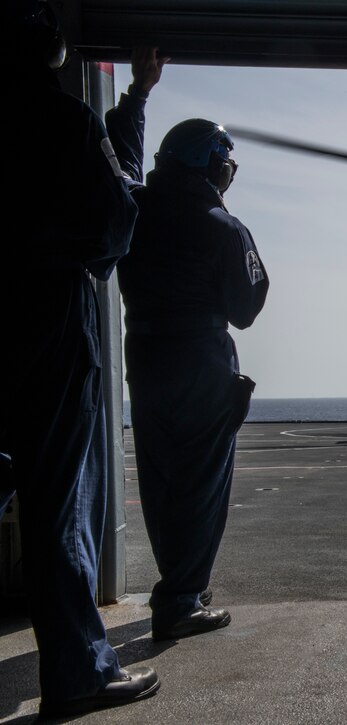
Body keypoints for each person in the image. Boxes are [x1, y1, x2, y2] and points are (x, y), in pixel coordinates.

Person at [1, 1, 162, 717]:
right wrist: (135, 100)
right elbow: (115, 214)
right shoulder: (64, 121)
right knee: (57, 495)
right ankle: (77, 671)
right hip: (43, 313)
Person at [111, 104, 269, 641]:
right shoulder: (223, 227)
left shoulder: (135, 206)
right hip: (202, 362)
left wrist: (134, 100)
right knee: (202, 482)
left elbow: (121, 162)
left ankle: (179, 586)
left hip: (147, 362)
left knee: (161, 480)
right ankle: (182, 600)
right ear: (212, 166)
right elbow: (247, 308)